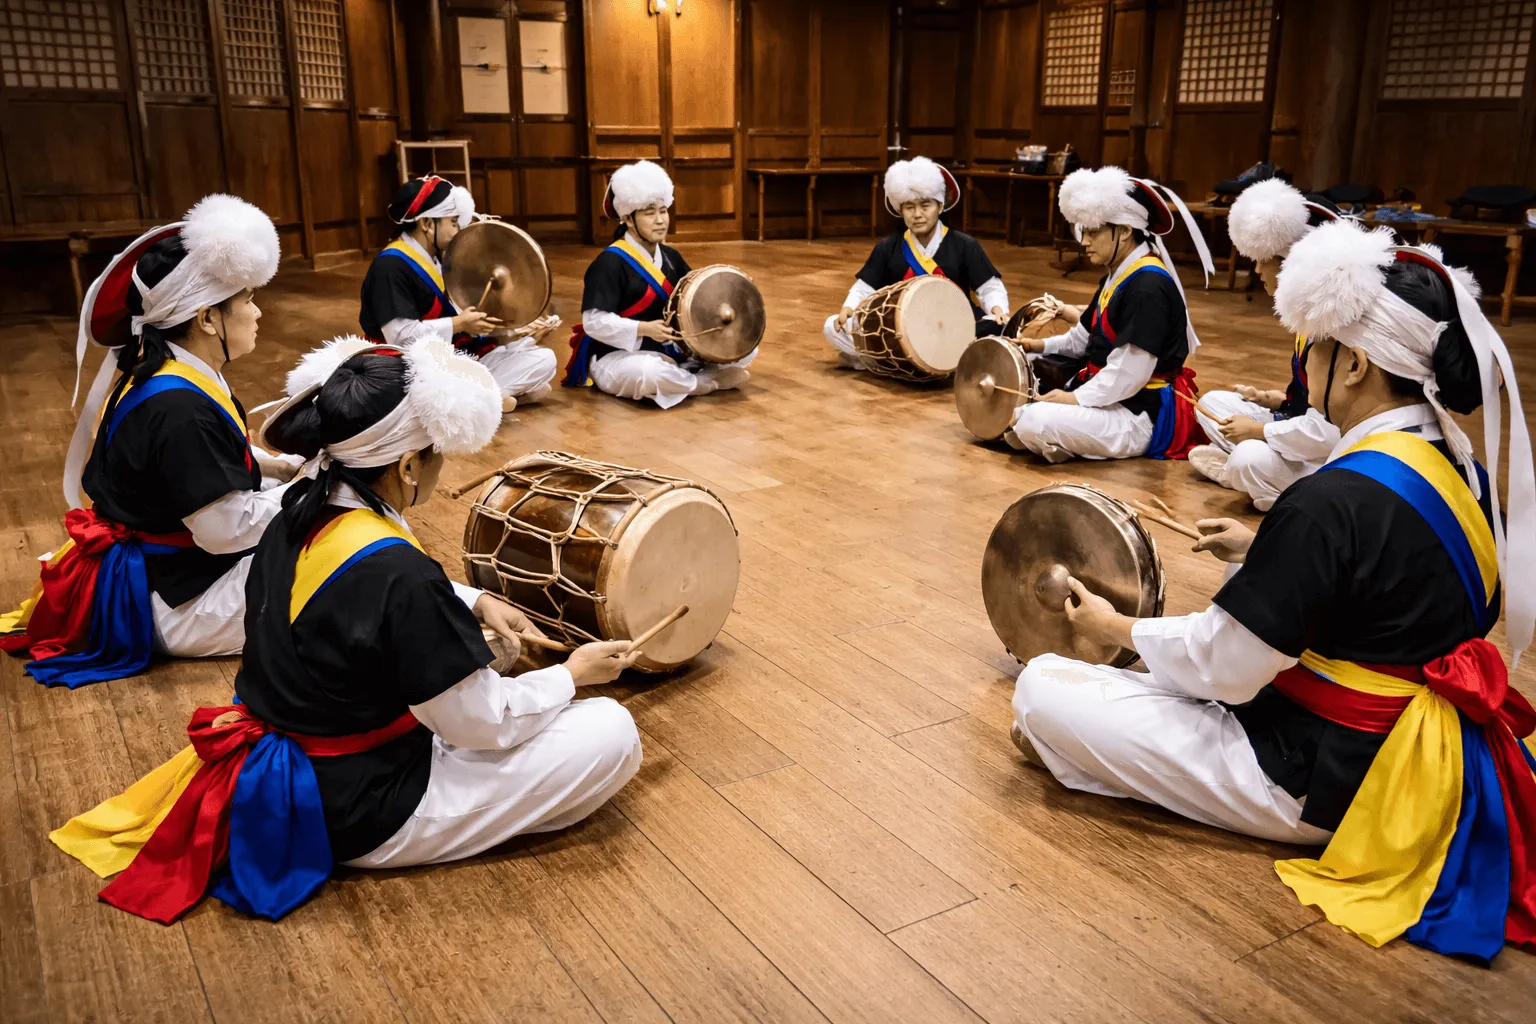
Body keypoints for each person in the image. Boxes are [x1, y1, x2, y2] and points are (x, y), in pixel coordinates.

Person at [1010, 219, 1536, 963]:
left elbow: (1223, 669)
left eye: (1312, 349)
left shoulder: (1332, 500)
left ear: (1351, 364)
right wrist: (1266, 550)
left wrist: (1115, 627)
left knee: (1044, 688)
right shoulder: (1464, 471)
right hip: (1430, 749)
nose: (1304, 364)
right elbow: (1401, 581)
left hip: (1323, 772)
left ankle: (1080, 744)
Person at [50, 335, 644, 924]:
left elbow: (363, 601)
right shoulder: (400, 572)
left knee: (483, 661)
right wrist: (571, 676)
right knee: (610, 731)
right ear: (409, 465)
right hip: (361, 805)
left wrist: (472, 601)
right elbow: (480, 723)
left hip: (303, 766)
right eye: (436, 455)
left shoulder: (294, 513)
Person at [1, 195, 294, 687]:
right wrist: (310, 493)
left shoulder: (167, 371)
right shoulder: (180, 411)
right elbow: (223, 531)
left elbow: (202, 464)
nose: (258, 312)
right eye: (247, 300)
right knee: (335, 566)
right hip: (174, 601)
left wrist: (274, 468)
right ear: (206, 318)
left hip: (158, 574)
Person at [1005, 166, 1215, 462]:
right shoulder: (1116, 276)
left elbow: (1129, 372)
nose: (1084, 241)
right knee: (1021, 378)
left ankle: (1061, 439)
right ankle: (1063, 440)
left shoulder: (1148, 287)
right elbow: (1084, 339)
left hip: (1138, 414)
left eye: (1092, 232)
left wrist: (1073, 398)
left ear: (1125, 230)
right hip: (1109, 398)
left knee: (1031, 420)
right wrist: (1036, 346)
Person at [1186, 179, 1344, 508]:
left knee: (1248, 457)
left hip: (1336, 453)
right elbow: (1307, 399)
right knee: (1213, 403)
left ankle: (1254, 478)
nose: (1257, 270)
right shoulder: (1309, 318)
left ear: (1290, 263)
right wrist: (1269, 399)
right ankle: (1255, 473)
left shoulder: (1333, 329)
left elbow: (1330, 433)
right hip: (1300, 430)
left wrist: (1259, 431)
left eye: (1264, 260)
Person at [359, 175, 559, 413]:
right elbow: (400, 338)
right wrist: (458, 324)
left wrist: (509, 331)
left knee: (542, 358)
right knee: (536, 379)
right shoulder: (390, 267)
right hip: (406, 370)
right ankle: (472, 402)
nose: (457, 229)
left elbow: (455, 319)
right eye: (453, 221)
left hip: (446, 359)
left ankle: (482, 398)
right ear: (427, 224)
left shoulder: (435, 257)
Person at [563, 160, 752, 409]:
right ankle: (703, 383)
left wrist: (733, 290)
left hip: (668, 350)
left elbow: (697, 297)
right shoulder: (608, 263)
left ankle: (685, 378)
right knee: (648, 372)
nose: (661, 220)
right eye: (650, 213)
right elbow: (594, 323)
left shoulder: (671, 257)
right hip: (618, 356)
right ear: (628, 219)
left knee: (746, 346)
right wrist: (643, 328)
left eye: (663, 210)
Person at [822, 156, 1009, 368]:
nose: (917, 214)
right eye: (909, 207)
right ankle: (939, 364)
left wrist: (997, 308)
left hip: (954, 329)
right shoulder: (887, 247)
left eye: (925, 205)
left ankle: (877, 361)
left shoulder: (964, 245)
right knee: (832, 326)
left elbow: (989, 286)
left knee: (1002, 327)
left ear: (940, 206)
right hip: (903, 331)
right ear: (900, 210)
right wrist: (849, 307)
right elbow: (865, 287)